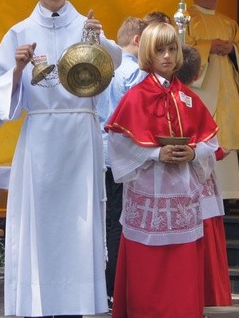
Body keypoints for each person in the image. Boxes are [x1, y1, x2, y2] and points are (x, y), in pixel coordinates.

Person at [0, 0, 120, 318]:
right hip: (42, 135)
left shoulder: (87, 26)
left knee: (79, 222)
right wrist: (17, 69)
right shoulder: (20, 32)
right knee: (42, 221)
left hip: (80, 133)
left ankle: (77, 304)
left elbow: (116, 67)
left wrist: (102, 42)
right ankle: (38, 303)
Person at [105, 22, 221, 318]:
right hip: (150, 192)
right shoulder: (136, 96)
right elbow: (119, 145)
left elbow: (211, 141)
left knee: (181, 268)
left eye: (172, 49)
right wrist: (157, 152)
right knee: (149, 267)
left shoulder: (190, 98)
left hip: (182, 194)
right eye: (160, 50)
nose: (167, 56)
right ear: (147, 53)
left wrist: (192, 152)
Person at [96, 16, 147, 309]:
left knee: (106, 220)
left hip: (101, 151)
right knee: (120, 220)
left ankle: (104, 283)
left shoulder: (105, 68)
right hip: (122, 153)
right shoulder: (136, 73)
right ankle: (115, 285)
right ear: (138, 40)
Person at [187, 0, 239, 202]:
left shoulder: (228, 23)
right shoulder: (186, 19)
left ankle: (228, 194)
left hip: (226, 88)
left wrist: (232, 49)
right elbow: (180, 52)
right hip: (201, 89)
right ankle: (203, 193)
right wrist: (207, 47)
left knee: (225, 135)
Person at [177, 44, 232, 307]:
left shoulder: (178, 97)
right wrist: (220, 152)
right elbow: (207, 144)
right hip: (196, 183)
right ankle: (202, 297)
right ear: (198, 74)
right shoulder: (190, 100)